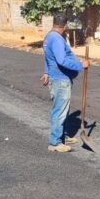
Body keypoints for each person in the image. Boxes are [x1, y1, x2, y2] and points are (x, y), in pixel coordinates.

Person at [40, 14, 90, 153]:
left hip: (58, 77)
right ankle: (55, 142)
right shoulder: (56, 39)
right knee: (59, 111)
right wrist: (81, 65)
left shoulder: (49, 36)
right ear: (65, 26)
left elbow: (48, 57)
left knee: (64, 109)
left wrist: (46, 72)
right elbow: (61, 60)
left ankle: (64, 136)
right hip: (60, 79)